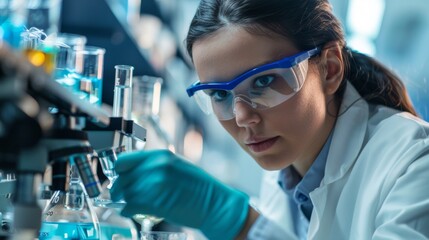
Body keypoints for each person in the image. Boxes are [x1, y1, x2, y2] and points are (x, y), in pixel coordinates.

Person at [110, 0, 429, 239]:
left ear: (330, 69)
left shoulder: (414, 163)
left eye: (263, 81)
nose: (243, 117)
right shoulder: (287, 171)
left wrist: (239, 222)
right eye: (219, 95)